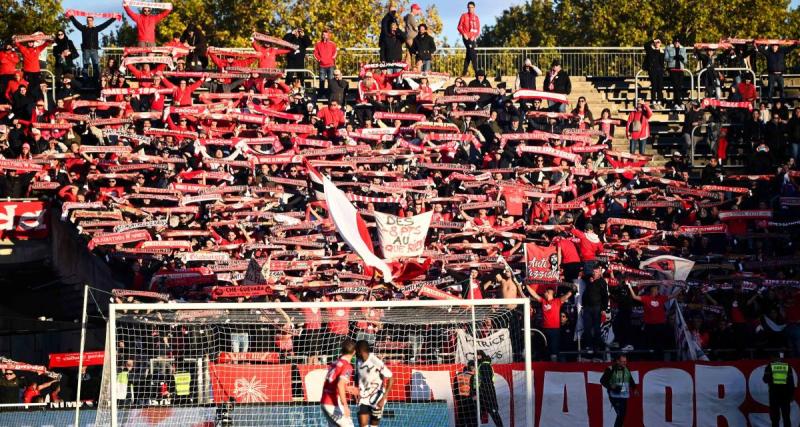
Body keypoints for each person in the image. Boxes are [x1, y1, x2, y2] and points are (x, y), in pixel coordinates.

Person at [628, 283, 678, 360]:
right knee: (650, 345)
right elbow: (634, 297)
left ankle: (660, 361)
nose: (656, 290)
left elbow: (674, 295)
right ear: (652, 290)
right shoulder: (646, 298)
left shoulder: (661, 298)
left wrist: (681, 288)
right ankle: (650, 361)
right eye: (655, 288)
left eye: (657, 289)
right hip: (649, 326)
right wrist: (629, 286)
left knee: (660, 345)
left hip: (660, 326)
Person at [67, 11, 118, 79]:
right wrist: (71, 16)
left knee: (95, 66)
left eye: (90, 20)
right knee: (85, 66)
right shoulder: (83, 28)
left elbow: (105, 24)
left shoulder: (96, 29)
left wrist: (113, 18)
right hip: (86, 50)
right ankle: (85, 81)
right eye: (88, 20)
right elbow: (76, 23)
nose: (89, 22)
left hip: (94, 50)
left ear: (93, 21)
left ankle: (96, 80)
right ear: (86, 21)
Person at [528, 285, 573, 360]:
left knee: (554, 351)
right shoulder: (543, 301)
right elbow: (534, 294)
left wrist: (572, 290)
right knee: (545, 351)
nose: (543, 293)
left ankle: (554, 367)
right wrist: (527, 285)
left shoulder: (557, 301)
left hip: (555, 330)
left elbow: (567, 296)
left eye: (545, 292)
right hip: (545, 330)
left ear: (548, 293)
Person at [354, 340, 394, 427]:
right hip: (363, 397)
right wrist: (356, 390)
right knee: (362, 424)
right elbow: (357, 376)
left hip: (377, 397)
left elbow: (391, 377)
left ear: (361, 351)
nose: (354, 352)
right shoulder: (357, 360)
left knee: (374, 425)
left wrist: (384, 398)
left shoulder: (375, 361)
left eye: (356, 350)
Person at [321, 339, 356, 427]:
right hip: (333, 402)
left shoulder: (335, 363)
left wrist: (347, 388)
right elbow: (340, 384)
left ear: (341, 350)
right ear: (354, 352)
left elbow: (332, 381)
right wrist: (345, 406)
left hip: (324, 401)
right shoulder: (347, 366)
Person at [600, 354, 637, 427]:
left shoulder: (626, 369)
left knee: (622, 416)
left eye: (625, 361)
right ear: (617, 361)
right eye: (623, 361)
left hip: (623, 395)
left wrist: (634, 388)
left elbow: (630, 379)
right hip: (614, 396)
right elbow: (602, 381)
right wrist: (611, 386)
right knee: (621, 414)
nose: (625, 363)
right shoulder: (610, 369)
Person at [763, 353, 795, 427]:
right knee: (786, 417)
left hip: (774, 395)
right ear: (780, 358)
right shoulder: (787, 366)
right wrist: (792, 395)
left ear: (773, 357)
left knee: (775, 418)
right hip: (785, 395)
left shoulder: (770, 366)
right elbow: (791, 382)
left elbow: (765, 379)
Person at [475, 351, 503, 427]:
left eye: (477, 355)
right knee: (478, 412)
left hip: (487, 392)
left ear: (481, 356)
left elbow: (487, 381)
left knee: (493, 412)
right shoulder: (482, 364)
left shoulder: (484, 365)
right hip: (485, 392)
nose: (475, 357)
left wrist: (482, 391)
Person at [457, 2, 480, 77]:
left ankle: (464, 71)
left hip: (473, 38)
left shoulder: (476, 17)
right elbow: (459, 27)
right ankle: (477, 72)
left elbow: (478, 29)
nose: (470, 9)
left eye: (472, 7)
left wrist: (475, 36)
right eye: (469, 7)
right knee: (472, 52)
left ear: (474, 8)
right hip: (466, 37)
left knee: (469, 54)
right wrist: (464, 34)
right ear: (467, 8)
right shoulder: (464, 16)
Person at [664, 37, 687, 109]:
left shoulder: (683, 49)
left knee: (679, 86)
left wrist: (681, 58)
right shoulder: (668, 48)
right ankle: (679, 102)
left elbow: (685, 61)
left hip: (680, 69)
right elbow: (666, 58)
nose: (677, 43)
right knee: (676, 85)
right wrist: (673, 57)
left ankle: (676, 103)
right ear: (673, 42)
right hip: (673, 69)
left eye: (678, 42)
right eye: (675, 42)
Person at [314, 28, 338, 98]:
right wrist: (319, 60)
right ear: (322, 35)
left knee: (330, 80)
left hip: (330, 65)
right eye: (323, 35)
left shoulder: (332, 44)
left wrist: (332, 58)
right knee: (322, 80)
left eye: (326, 35)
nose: (324, 36)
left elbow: (335, 52)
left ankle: (330, 94)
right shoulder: (318, 44)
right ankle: (321, 94)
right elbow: (315, 53)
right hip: (322, 65)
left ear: (328, 35)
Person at [643, 37, 665, 108]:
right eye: (656, 42)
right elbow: (646, 45)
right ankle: (653, 100)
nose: (657, 44)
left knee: (660, 85)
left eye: (658, 42)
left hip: (660, 70)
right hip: (652, 70)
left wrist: (659, 50)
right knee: (654, 85)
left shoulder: (661, 51)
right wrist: (653, 40)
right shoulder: (650, 50)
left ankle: (659, 100)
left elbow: (661, 62)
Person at [453, 363, 476, 427]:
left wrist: (457, 398)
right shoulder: (473, 376)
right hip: (470, 400)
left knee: (461, 420)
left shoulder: (457, 376)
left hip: (460, 400)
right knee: (472, 420)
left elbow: (455, 388)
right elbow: (474, 388)